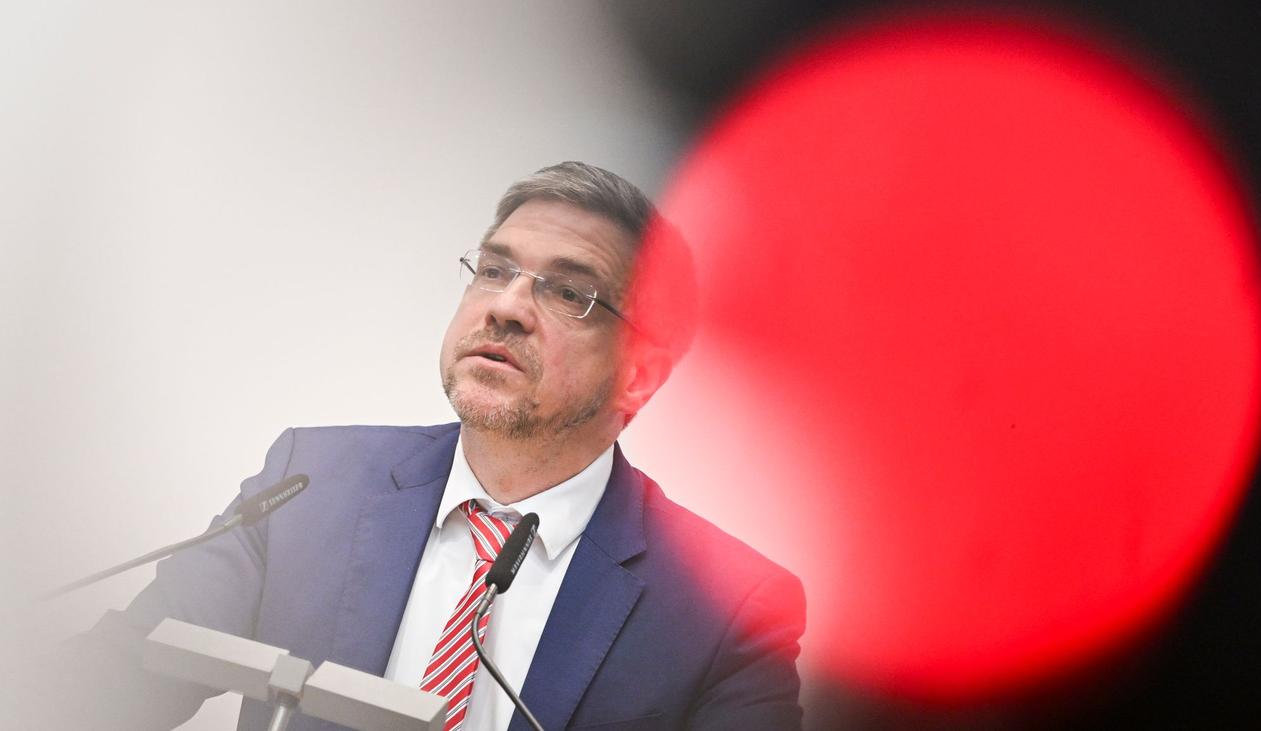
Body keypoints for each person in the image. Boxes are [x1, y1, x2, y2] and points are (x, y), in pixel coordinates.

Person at [60, 162, 805, 730]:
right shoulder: (307, 485)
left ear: (638, 375)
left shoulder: (727, 613)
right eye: (495, 269)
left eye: (567, 293)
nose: (506, 307)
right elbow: (101, 690)